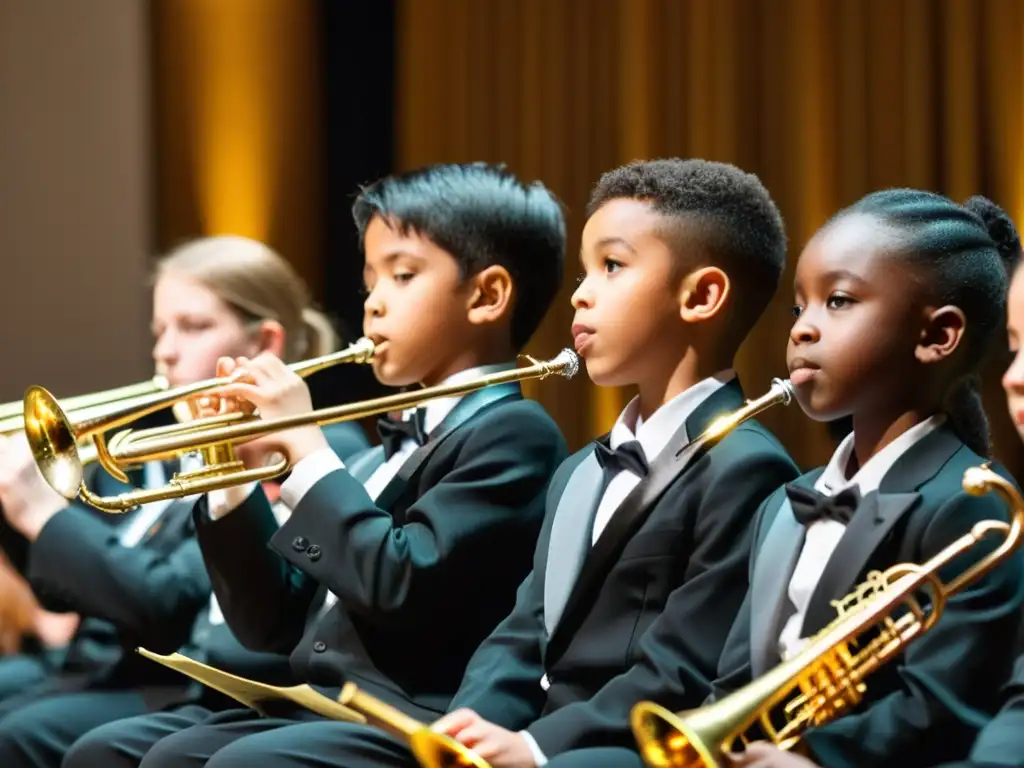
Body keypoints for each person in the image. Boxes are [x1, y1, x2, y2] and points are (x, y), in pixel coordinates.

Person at [180, 157, 801, 768]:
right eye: (584, 271)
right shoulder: (583, 467)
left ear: (702, 295)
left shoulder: (743, 466)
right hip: (476, 729)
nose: (580, 295)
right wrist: (467, 730)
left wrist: (532, 746)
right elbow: (521, 632)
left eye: (610, 267)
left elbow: (678, 666)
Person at [67, 161, 570, 768]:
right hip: (314, 704)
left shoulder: (514, 433)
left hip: (414, 714)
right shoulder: (382, 457)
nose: (374, 305)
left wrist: (305, 448)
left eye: (402, 276)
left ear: (487, 296)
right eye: (369, 282)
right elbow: (271, 626)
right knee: (112, 752)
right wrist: (227, 470)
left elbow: (399, 582)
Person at [0, 236, 369, 768]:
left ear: (265, 342)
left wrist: (45, 516)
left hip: (199, 676)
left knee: (22, 733)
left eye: (191, 327)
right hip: (115, 662)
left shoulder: (310, 448)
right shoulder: (187, 447)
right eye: (159, 331)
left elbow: (170, 602)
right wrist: (18, 510)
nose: (164, 351)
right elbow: (72, 591)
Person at [726, 197, 1024, 768]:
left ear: (938, 335)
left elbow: (937, 707)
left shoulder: (973, 505)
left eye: (838, 301)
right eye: (797, 308)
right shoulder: (780, 506)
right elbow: (737, 678)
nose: (803, 329)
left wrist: (810, 756)